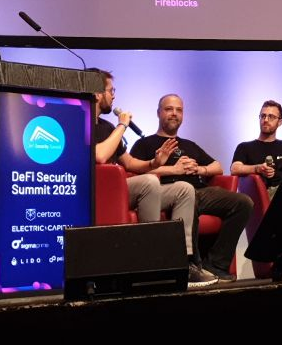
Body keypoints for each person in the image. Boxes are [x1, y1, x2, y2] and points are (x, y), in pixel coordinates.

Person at [89, 70, 216, 287]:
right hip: (96, 192)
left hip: (120, 191)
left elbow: (129, 163)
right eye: (111, 90)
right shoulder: (82, 122)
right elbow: (99, 155)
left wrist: (154, 162)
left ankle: (183, 261)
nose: (114, 96)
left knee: (184, 189)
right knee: (149, 182)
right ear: (97, 93)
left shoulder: (107, 127)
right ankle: (153, 260)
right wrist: (122, 125)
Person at [130, 94, 254, 283]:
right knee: (188, 194)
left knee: (244, 203)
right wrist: (174, 169)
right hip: (169, 192)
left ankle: (216, 264)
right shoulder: (144, 144)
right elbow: (136, 172)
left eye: (179, 110)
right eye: (169, 109)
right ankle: (192, 265)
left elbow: (218, 166)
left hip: (201, 190)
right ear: (158, 113)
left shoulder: (189, 145)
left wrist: (199, 169)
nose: (174, 113)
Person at [230, 100, 282, 195]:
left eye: (271, 117)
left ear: (280, 122)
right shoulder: (245, 147)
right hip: (265, 194)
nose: (266, 120)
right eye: (263, 116)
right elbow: (235, 169)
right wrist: (257, 168)